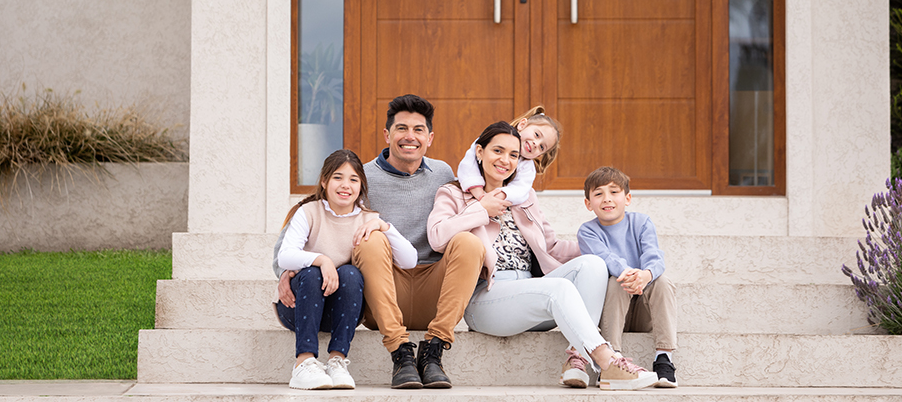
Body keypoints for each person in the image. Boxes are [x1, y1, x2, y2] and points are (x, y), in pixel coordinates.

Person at [428, 121, 660, 391]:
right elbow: (436, 236)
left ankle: (577, 359)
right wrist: (481, 209)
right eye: (498, 151)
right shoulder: (453, 193)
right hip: (486, 298)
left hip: (532, 292)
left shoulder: (524, 197)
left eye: (514, 155)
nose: (506, 160)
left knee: (593, 264)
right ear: (479, 152)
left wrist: (603, 249)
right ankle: (607, 361)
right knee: (558, 288)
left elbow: (551, 247)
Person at [280, 94, 483, 389]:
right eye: (401, 129)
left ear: (430, 138)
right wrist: (285, 270)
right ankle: (400, 352)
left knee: (468, 242)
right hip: (383, 293)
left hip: (433, 290)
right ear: (387, 134)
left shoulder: (443, 173)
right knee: (370, 239)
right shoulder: (359, 178)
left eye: (418, 130)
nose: (409, 137)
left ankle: (434, 350)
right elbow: (318, 217)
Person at [271, 149, 418, 390]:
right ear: (324, 181)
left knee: (351, 274)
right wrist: (322, 260)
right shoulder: (308, 212)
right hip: (299, 308)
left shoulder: (368, 219)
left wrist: (383, 226)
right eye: (338, 177)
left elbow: (410, 260)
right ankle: (303, 362)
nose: (345, 185)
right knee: (311, 273)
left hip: (343, 312)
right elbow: (285, 256)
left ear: (361, 185)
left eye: (353, 179)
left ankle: (337, 360)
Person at [576, 166, 679, 388]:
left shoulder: (641, 223)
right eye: (598, 193)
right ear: (588, 203)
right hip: (612, 311)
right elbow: (605, 258)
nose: (607, 199)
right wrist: (628, 273)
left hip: (643, 309)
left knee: (661, 280)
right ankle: (612, 359)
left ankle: (664, 357)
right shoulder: (587, 231)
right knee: (615, 280)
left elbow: (655, 256)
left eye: (614, 192)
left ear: (628, 198)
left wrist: (645, 275)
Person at [457, 106, 561, 205]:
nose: (536, 144)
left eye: (542, 147)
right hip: (473, 195)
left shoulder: (527, 167)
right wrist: (480, 196)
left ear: (539, 155)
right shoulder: (493, 138)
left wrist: (498, 196)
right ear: (522, 125)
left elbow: (520, 190)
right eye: (537, 135)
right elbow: (467, 167)